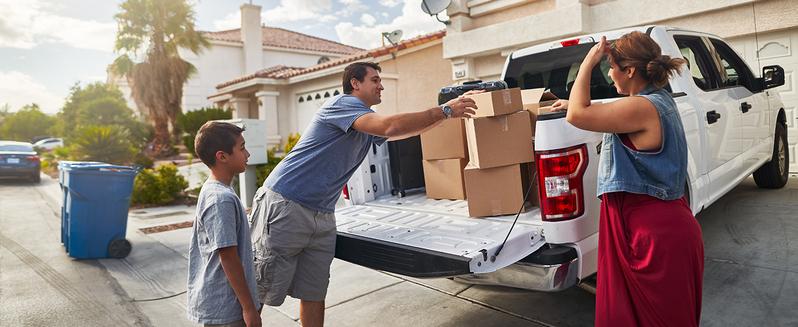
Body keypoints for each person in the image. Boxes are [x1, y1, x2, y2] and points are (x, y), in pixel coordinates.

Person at [248, 61, 477, 327]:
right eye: (375, 80)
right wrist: (445, 109)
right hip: (287, 203)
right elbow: (390, 126)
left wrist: (446, 115)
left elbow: (404, 131)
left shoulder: (364, 119)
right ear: (355, 84)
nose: (381, 86)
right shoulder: (342, 105)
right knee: (260, 286)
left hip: (322, 213)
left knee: (313, 291)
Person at [552, 32, 704, 326]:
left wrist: (588, 61)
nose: (609, 74)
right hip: (663, 230)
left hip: (651, 238)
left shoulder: (641, 108)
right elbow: (597, 108)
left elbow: (578, 114)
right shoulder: (657, 101)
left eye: (611, 67)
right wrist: (570, 102)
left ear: (630, 70)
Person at [187, 121, 261, 327]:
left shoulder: (217, 190)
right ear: (222, 156)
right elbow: (228, 256)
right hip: (225, 308)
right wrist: (249, 308)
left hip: (225, 305)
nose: (247, 154)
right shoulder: (220, 199)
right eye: (242, 148)